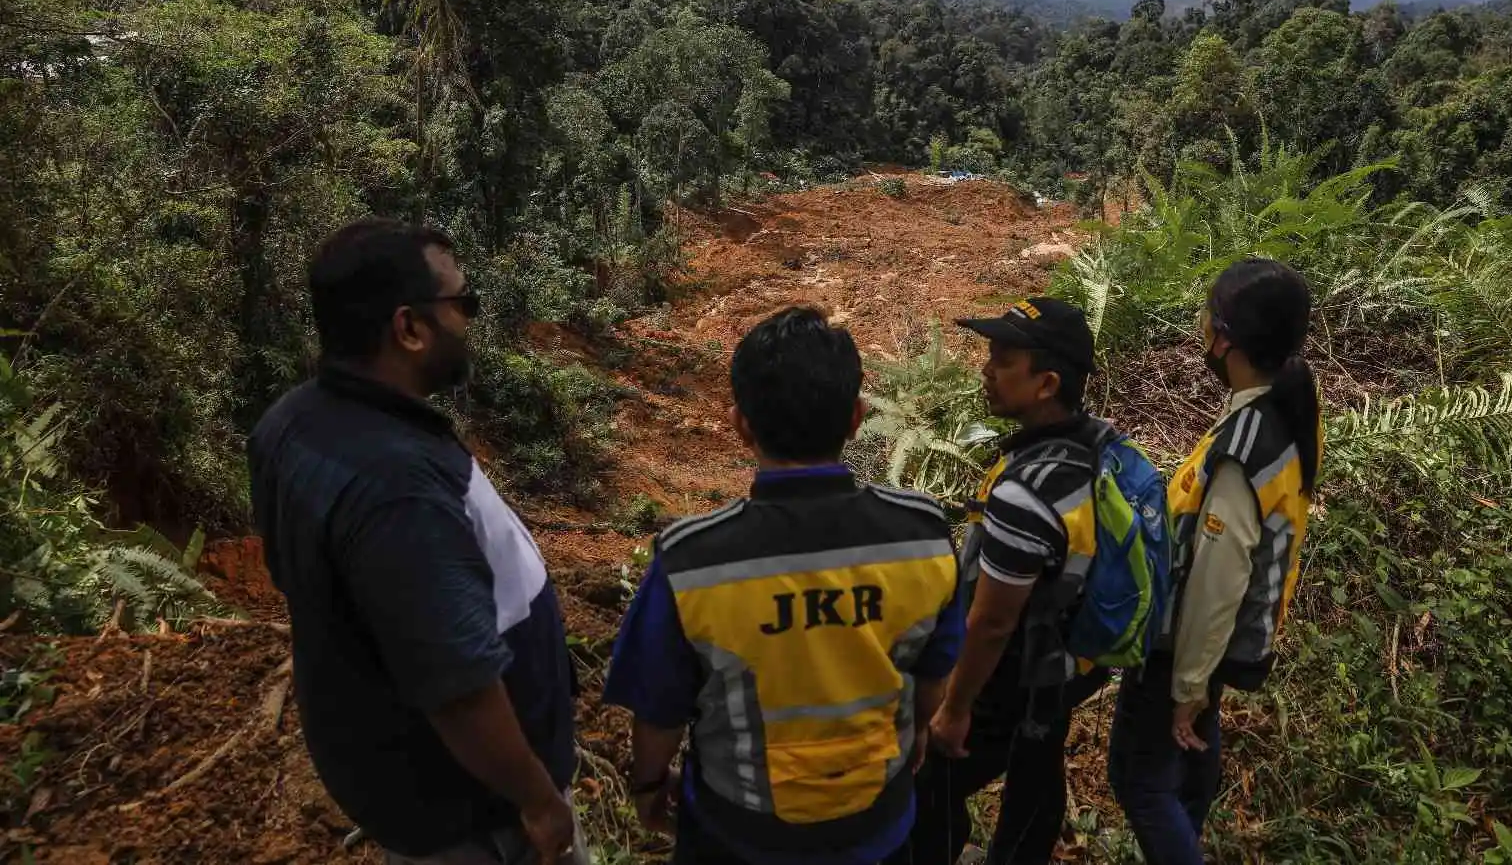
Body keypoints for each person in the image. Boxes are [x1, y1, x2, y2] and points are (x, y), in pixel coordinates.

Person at [249, 219, 584, 865]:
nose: (471, 320)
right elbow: (457, 685)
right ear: (408, 328)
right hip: (482, 821)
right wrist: (540, 801)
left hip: (414, 790)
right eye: (463, 303)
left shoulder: (291, 423)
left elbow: (298, 575)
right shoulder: (398, 490)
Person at [603, 306, 965, 865]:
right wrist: (916, 734)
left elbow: (660, 710)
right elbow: (933, 673)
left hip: (738, 835)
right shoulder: (923, 535)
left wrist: (649, 786)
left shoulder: (691, 562)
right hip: (879, 826)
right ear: (857, 418)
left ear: (740, 424)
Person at [1107, 258, 1323, 865]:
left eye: (1208, 318)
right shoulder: (1287, 402)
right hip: (1222, 642)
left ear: (1226, 337)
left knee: (1138, 779)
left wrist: (1189, 683)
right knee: (1191, 752)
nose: (1202, 329)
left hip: (1185, 642)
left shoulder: (1243, 450)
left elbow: (1217, 580)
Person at [891, 297, 1115, 865]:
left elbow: (991, 621)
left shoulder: (1029, 488)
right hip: (1070, 657)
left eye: (1004, 359)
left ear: (1046, 383)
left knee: (927, 779)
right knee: (1037, 757)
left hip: (1015, 669)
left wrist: (955, 705)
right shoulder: (1096, 446)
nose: (986, 369)